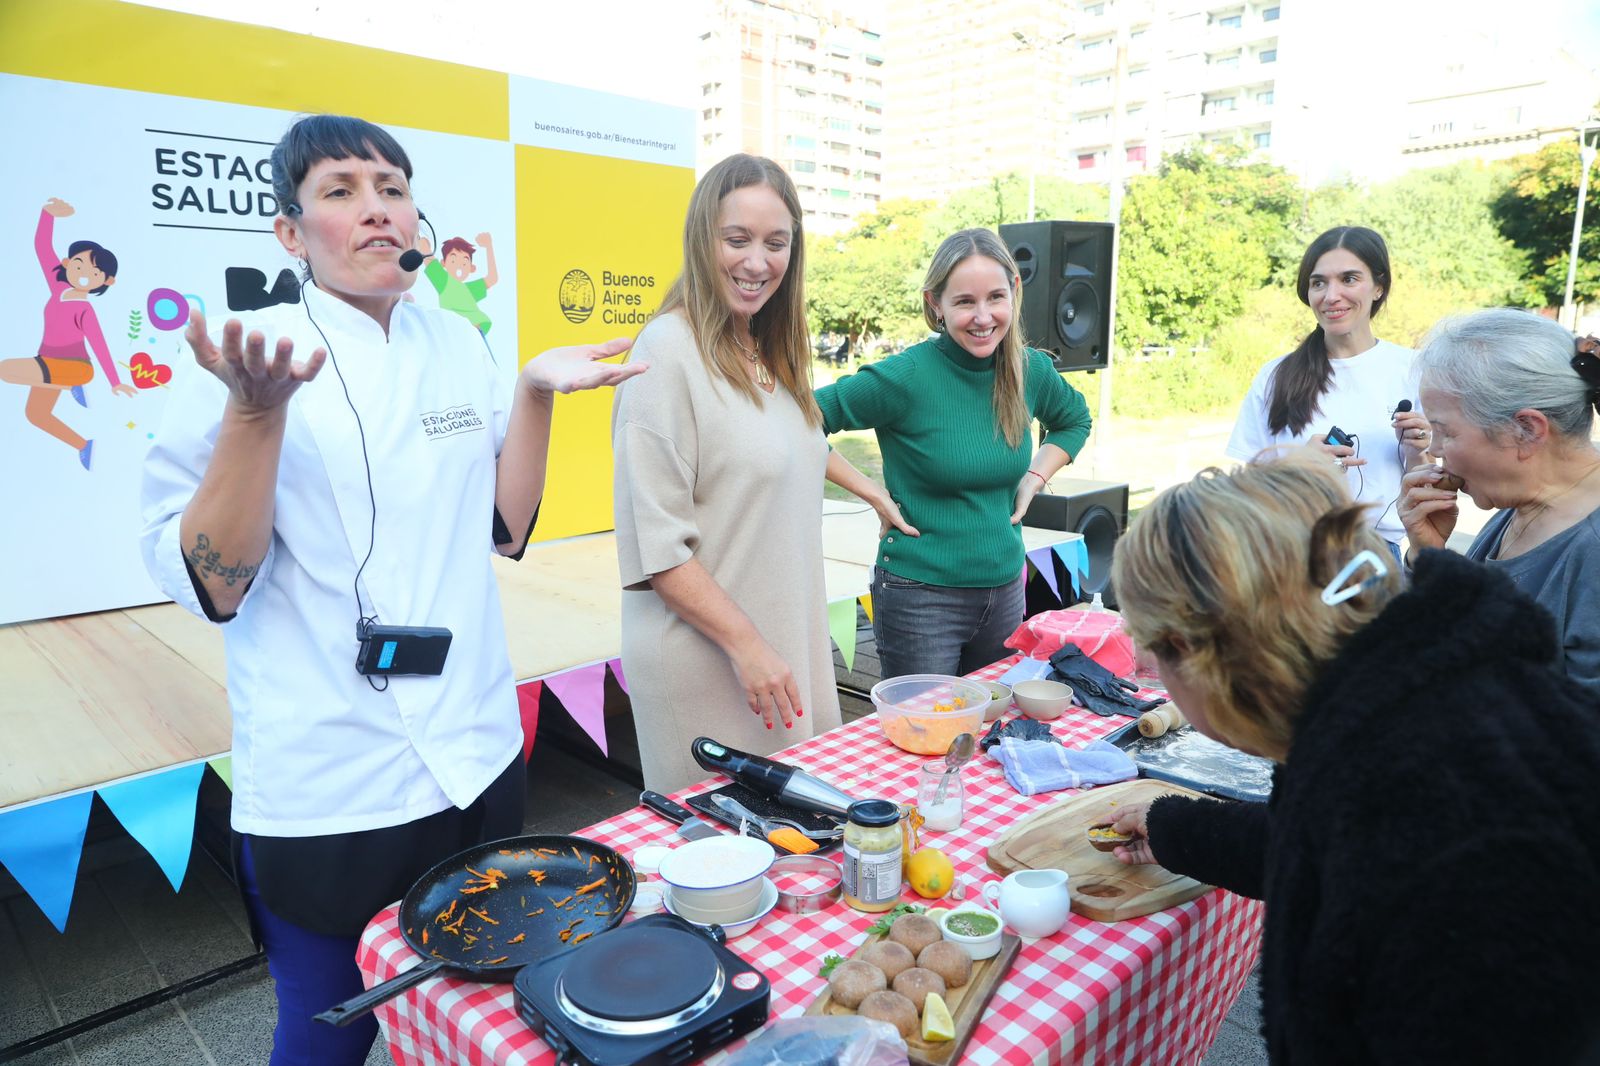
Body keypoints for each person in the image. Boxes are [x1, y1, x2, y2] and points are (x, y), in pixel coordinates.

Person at [140, 114, 641, 1066]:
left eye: (392, 188)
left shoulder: (454, 341)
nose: (376, 210)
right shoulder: (246, 356)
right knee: (329, 1032)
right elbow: (215, 584)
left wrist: (532, 392)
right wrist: (255, 414)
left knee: (481, 1019)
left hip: (473, 748)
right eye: (340, 191)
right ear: (291, 233)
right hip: (332, 776)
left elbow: (505, 527)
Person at [1105, 457, 1600, 1064]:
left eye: (1151, 654)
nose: (1145, 674)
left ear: (1198, 654)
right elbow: (1318, 838)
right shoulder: (1396, 705)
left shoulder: (1449, 819)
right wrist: (1173, 828)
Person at [613, 154, 854, 792]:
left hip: (784, 654)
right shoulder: (666, 352)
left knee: (797, 862)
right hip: (712, 664)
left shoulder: (768, 349)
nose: (757, 261)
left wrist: (873, 490)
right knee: (724, 866)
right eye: (736, 239)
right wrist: (748, 647)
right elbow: (660, 551)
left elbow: (798, 454)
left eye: (776, 243)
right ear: (701, 239)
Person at [813, 227, 1093, 680]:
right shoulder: (906, 376)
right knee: (925, 738)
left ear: (1014, 292)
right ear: (934, 304)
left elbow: (1074, 419)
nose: (983, 317)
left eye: (995, 298)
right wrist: (873, 494)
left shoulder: (1030, 369)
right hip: (919, 599)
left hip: (1005, 591)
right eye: (964, 302)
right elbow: (799, 419)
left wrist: (1036, 477)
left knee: (985, 732)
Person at [1399, 310, 1600, 693]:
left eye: (1444, 431)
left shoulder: (1592, 551)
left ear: (1526, 430)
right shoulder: (1521, 505)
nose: (1435, 450)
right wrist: (1430, 559)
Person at [1226, 226, 1430, 554]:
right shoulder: (1276, 375)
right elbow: (1243, 487)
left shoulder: (1414, 370)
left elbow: (1427, 486)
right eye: (1318, 282)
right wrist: (1299, 465)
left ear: (1379, 287)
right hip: (1287, 553)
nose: (1331, 295)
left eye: (1349, 279)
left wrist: (1418, 451)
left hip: (1376, 556)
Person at [1, 198, 136, 470]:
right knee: (35, 414)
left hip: (74, 368)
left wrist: (114, 381)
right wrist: (46, 214)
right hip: (48, 363)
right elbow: (41, 247)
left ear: (106, 280)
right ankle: (83, 445)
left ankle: (71, 384)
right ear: (66, 263)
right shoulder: (57, 289)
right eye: (78, 264)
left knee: (5, 369)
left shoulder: (85, 310)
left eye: (94, 271)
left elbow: (99, 346)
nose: (84, 273)